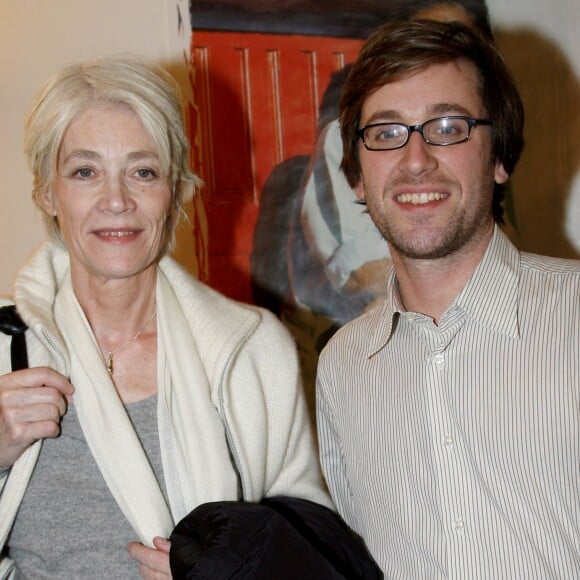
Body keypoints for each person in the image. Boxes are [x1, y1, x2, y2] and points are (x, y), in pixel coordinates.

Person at [0, 55, 332, 578]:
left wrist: (236, 570)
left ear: (174, 191)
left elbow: (311, 549)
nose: (116, 200)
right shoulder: (2, 350)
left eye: (143, 171)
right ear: (47, 192)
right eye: (85, 171)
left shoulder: (252, 349)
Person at [317, 19, 580, 577]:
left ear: (499, 156)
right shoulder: (342, 367)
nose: (416, 160)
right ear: (358, 177)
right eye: (387, 133)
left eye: (447, 126)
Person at [297, 0, 493, 328]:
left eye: (458, 39)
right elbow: (365, 272)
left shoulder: (485, 136)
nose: (417, 162)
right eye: (424, 38)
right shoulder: (346, 139)